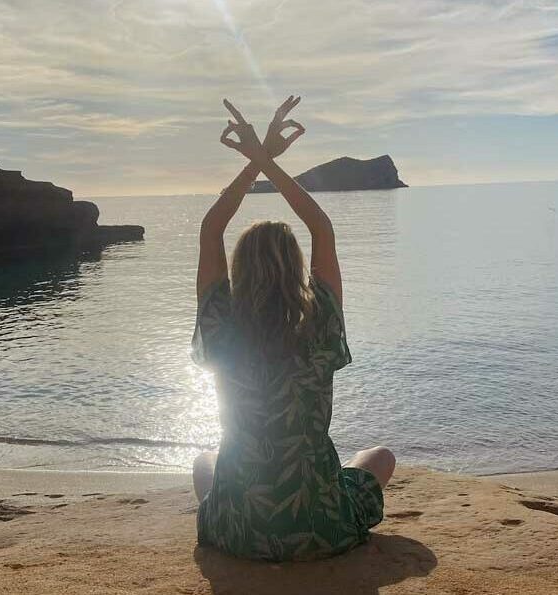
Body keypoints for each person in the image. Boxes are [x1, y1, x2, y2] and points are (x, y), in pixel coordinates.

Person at [191, 95, 396, 561]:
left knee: (205, 463)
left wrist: (252, 164)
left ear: (239, 268)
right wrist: (267, 161)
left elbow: (210, 230)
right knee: (379, 457)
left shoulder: (222, 323)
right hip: (319, 525)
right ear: (296, 267)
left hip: (239, 529)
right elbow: (322, 228)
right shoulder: (320, 320)